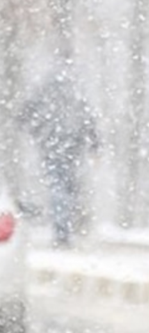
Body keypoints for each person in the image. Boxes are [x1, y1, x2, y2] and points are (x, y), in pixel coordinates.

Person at [18, 71, 99, 248]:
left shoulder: (46, 91)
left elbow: (25, 114)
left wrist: (35, 131)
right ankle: (64, 229)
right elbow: (87, 119)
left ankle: (61, 230)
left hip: (51, 147)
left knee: (58, 188)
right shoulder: (74, 93)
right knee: (67, 189)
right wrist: (94, 144)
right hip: (71, 148)